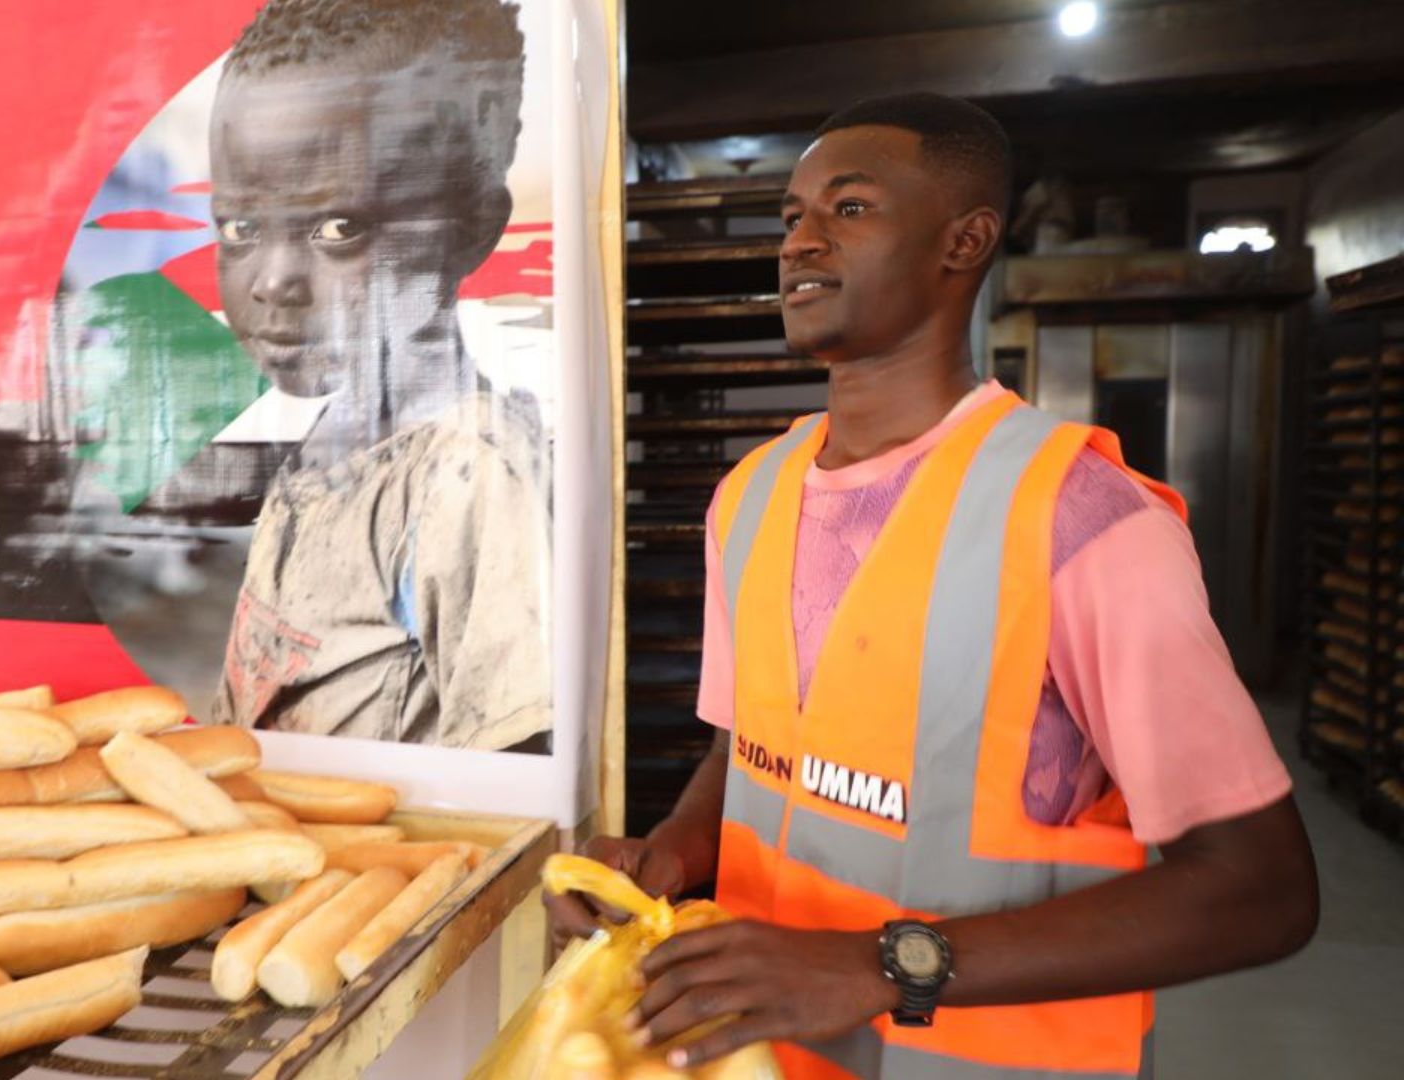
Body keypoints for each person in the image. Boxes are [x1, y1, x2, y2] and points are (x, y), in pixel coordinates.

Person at [547, 93, 1318, 1078]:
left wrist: (879, 964)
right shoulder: (750, 496)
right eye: (790, 216)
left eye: (849, 208)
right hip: (762, 1059)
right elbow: (750, 752)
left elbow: (1261, 890)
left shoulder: (1081, 519)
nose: (800, 242)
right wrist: (672, 851)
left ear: (966, 240)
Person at [204, 0, 553, 752]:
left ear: (473, 228)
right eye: (240, 228)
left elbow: (520, 762)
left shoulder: (471, 475)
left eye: (339, 228)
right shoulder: (337, 438)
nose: (272, 281)